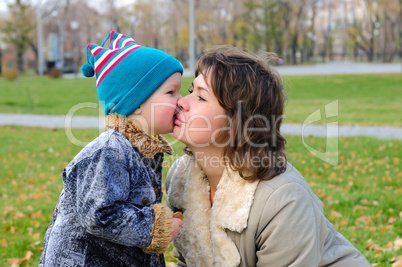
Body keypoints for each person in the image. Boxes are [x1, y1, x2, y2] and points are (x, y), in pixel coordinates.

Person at [166, 45, 370, 266]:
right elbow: (188, 261)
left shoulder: (282, 200)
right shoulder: (181, 179)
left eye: (201, 97)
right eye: (190, 91)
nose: (181, 102)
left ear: (238, 123)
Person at [39, 31, 183, 267]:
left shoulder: (144, 150)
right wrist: (157, 226)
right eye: (170, 92)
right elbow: (99, 215)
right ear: (136, 103)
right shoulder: (110, 151)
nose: (180, 101)